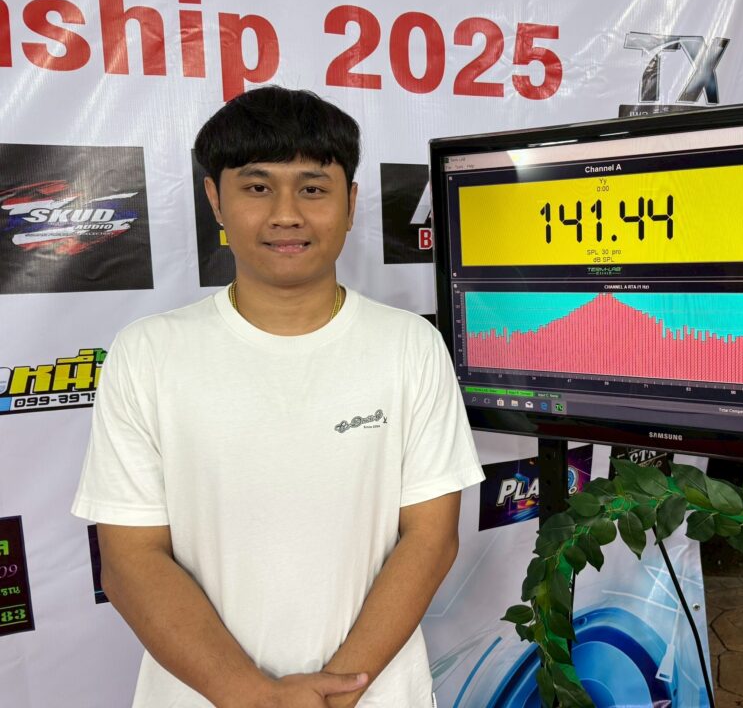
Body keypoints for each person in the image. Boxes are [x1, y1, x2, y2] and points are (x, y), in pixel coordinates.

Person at [72, 86, 484, 708]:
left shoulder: (410, 347)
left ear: (351, 203)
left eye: (313, 189)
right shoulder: (147, 353)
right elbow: (131, 560)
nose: (286, 214)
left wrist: (334, 692)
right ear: (215, 199)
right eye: (257, 187)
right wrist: (256, 697)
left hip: (374, 692)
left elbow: (431, 539)